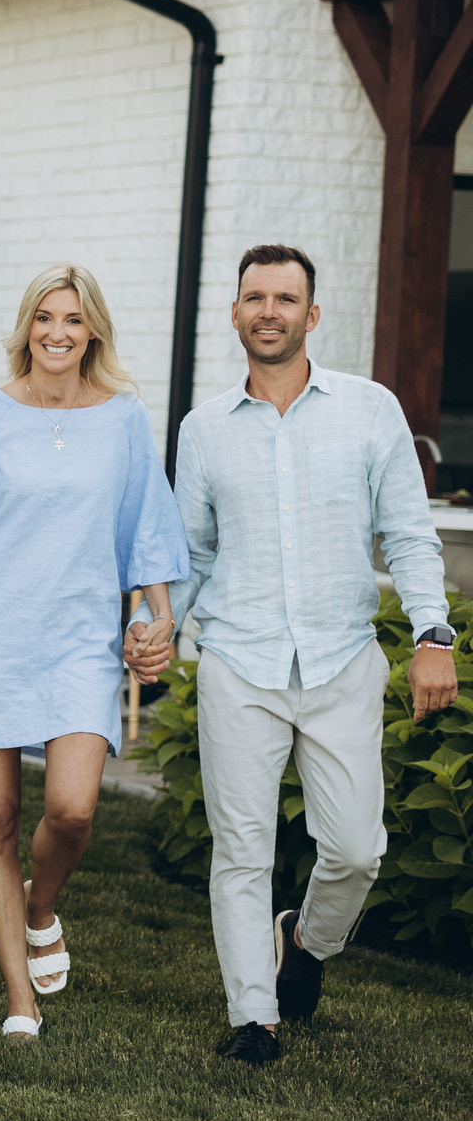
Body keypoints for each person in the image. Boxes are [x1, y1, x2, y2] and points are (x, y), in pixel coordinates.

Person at [165, 244, 455, 1068]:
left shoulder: (370, 412)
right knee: (243, 849)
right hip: (238, 662)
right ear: (235, 313)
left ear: (311, 315)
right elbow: (191, 554)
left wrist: (434, 634)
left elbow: (407, 534)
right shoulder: (203, 430)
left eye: (285, 298)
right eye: (254, 296)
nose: (269, 310)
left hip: (340, 662)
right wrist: (153, 630)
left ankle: (309, 941)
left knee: (358, 849)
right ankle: (254, 1016)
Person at [0, 263, 189, 1040]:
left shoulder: (122, 418)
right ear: (27, 325)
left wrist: (160, 621)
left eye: (74, 319)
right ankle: (19, 996)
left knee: (72, 808)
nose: (57, 332)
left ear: (94, 332)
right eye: (45, 317)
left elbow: (146, 526)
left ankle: (40, 903)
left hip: (82, 639)